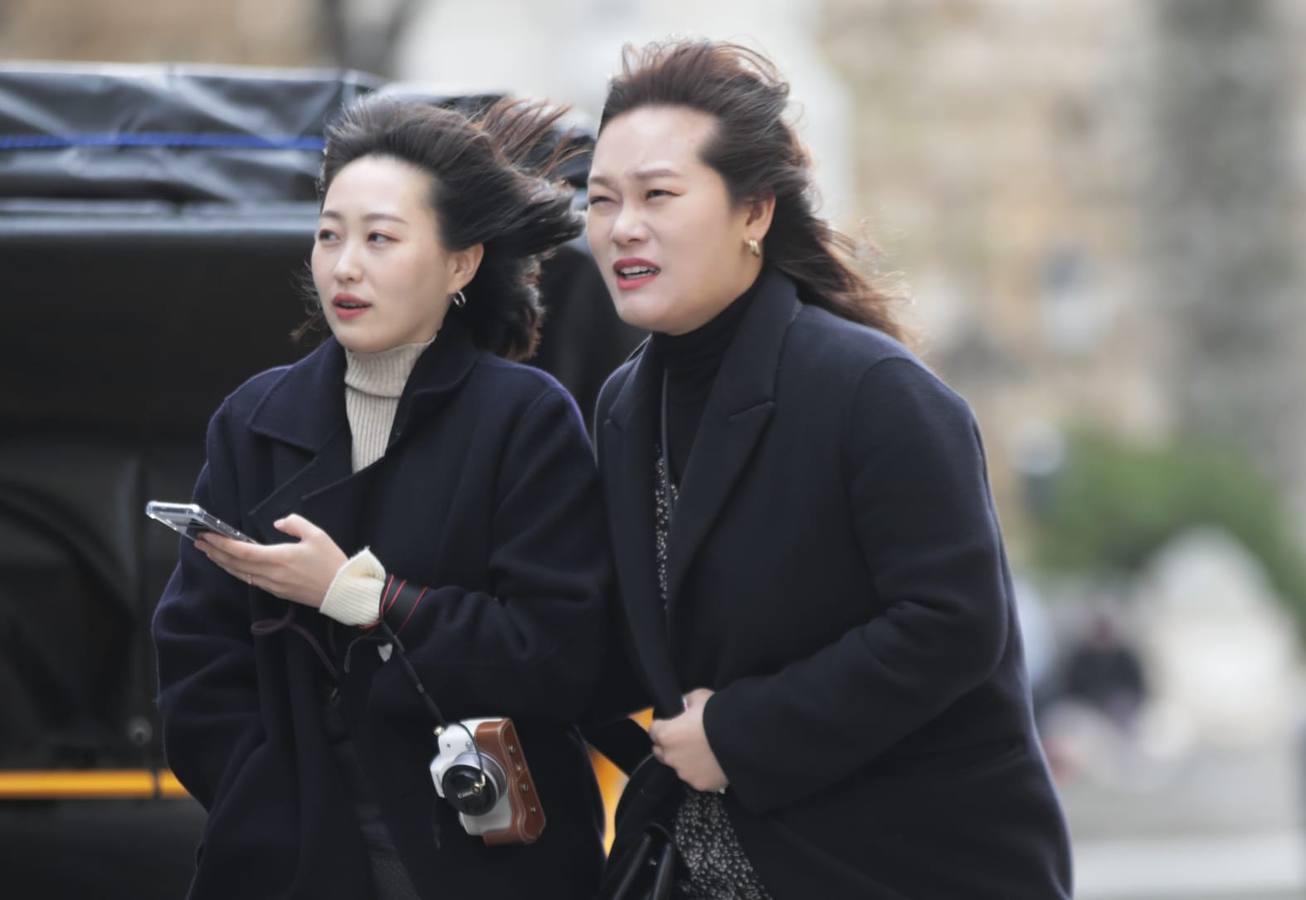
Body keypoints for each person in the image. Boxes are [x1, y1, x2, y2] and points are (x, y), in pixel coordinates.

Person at [584, 40, 1073, 898]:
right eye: (601, 200)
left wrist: (739, 732)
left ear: (754, 212)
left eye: (658, 194)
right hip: (710, 860)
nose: (624, 225)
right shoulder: (624, 406)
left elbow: (951, 623)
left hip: (904, 861)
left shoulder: (873, 391)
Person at [152, 96, 610, 899]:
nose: (344, 265)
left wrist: (362, 596)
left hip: (481, 855)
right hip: (289, 853)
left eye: (379, 238)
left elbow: (561, 655)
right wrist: (270, 805)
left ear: (461, 263)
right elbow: (196, 656)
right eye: (329, 234)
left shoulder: (526, 420)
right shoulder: (255, 421)